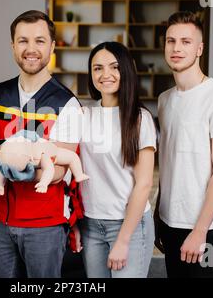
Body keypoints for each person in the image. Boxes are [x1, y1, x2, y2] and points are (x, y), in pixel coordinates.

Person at [0, 10, 83, 278]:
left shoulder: (67, 104)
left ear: (52, 47)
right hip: (0, 220)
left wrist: (16, 166)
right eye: (23, 41)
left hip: (44, 224)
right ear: (12, 46)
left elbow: (59, 171)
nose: (31, 49)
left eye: (40, 41)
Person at [155, 11, 213, 278]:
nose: (176, 48)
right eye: (171, 41)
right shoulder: (165, 100)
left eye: (185, 41)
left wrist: (200, 230)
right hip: (170, 221)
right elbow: (169, 164)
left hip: (205, 227)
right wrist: (159, 215)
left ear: (200, 48)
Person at [72, 42, 156, 278]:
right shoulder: (83, 114)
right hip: (91, 224)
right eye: (97, 68)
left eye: (114, 67)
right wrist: (75, 223)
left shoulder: (140, 119)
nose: (105, 74)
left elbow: (144, 184)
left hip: (128, 224)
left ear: (126, 71)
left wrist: (123, 239)